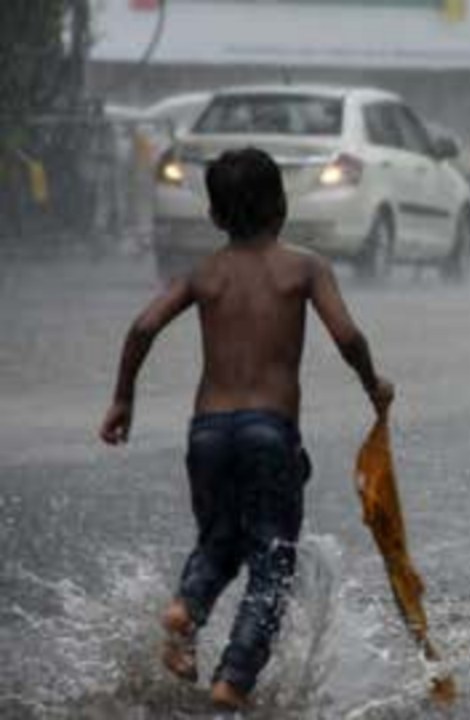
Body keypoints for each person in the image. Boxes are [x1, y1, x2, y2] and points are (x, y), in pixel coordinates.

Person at [98, 147, 394, 709]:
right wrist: (372, 383)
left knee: (219, 541)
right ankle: (233, 679)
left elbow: (142, 327)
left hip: (207, 430)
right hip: (269, 432)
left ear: (214, 216)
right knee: (271, 560)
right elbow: (348, 337)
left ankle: (186, 609)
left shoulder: (205, 273)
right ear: (282, 205)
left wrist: (122, 400)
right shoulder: (305, 267)